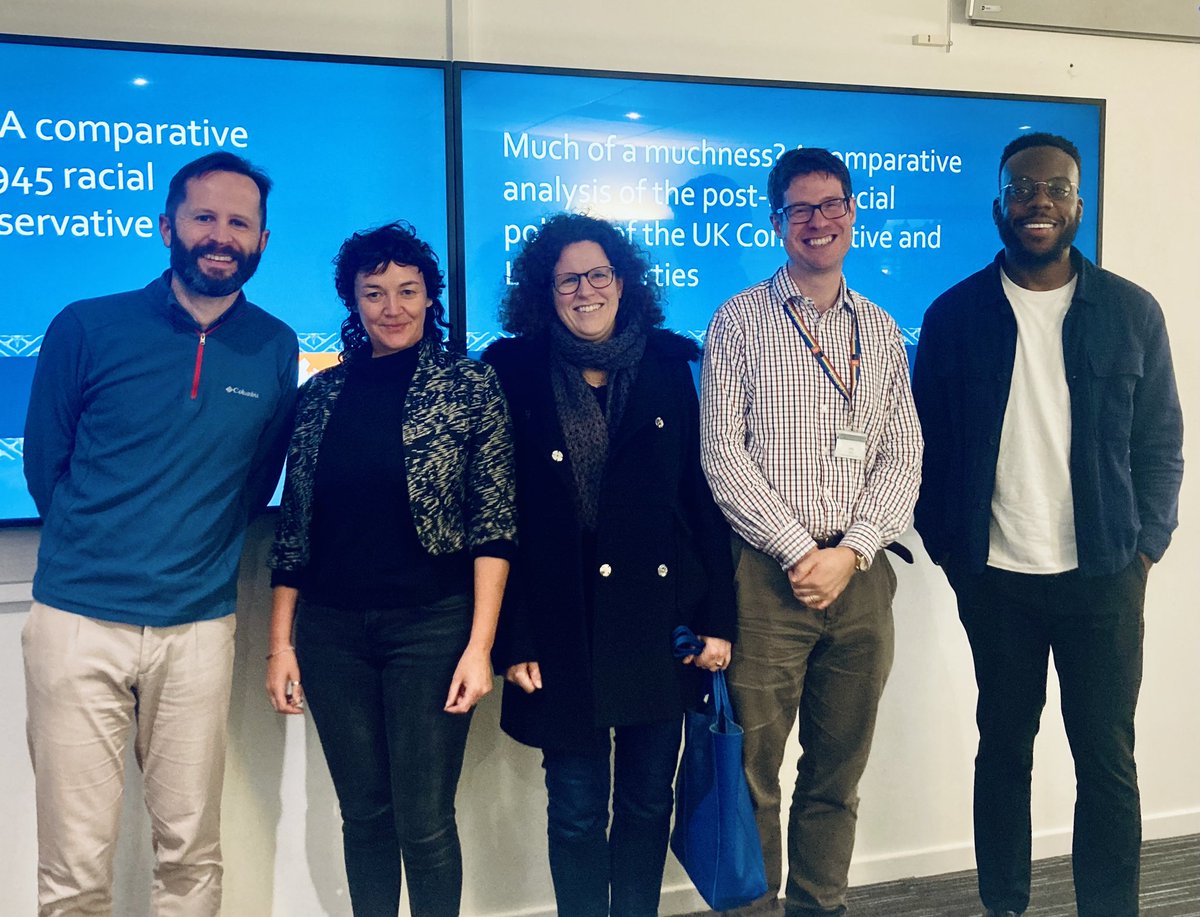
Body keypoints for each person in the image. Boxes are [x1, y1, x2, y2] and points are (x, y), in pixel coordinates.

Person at [912, 133, 1184, 917]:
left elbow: (1161, 440)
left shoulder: (1131, 310)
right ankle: (1005, 904)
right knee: (1003, 751)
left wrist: (1145, 546)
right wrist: (954, 551)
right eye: (1023, 187)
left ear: (1078, 204)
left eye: (1055, 188)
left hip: (1103, 576)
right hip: (995, 579)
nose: (1038, 201)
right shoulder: (955, 314)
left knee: (1106, 761)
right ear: (998, 202)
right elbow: (925, 443)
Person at [21, 151, 298, 916]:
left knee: (191, 856)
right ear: (166, 225)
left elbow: (254, 480)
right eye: (203, 216)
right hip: (78, 621)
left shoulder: (275, 346)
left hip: (197, 628)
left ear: (263, 241)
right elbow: (48, 466)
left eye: (239, 222)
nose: (220, 234)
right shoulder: (85, 325)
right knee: (74, 868)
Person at [483, 212, 736, 917]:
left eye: (599, 274)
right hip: (558, 626)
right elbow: (498, 518)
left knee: (648, 803)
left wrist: (719, 619)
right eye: (569, 278)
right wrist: (515, 637)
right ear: (545, 289)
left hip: (662, 626)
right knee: (574, 809)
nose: (585, 289)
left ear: (623, 283)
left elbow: (702, 497)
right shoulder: (511, 370)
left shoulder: (673, 362)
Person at [266, 221, 515, 917]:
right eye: (374, 292)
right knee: (364, 814)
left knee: (425, 820)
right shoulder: (319, 397)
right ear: (352, 299)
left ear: (431, 297)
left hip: (433, 629)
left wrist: (480, 645)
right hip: (331, 634)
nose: (392, 306)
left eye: (407, 290)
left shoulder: (469, 387)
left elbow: (494, 525)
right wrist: (280, 643)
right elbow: (296, 529)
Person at [700, 148, 923, 917]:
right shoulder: (737, 321)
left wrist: (852, 550)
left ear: (854, 212)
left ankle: (818, 904)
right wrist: (802, 553)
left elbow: (904, 455)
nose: (818, 221)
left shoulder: (883, 329)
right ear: (777, 223)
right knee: (754, 772)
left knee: (837, 772)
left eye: (832, 205)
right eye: (800, 209)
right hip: (766, 577)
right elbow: (721, 455)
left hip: (862, 578)